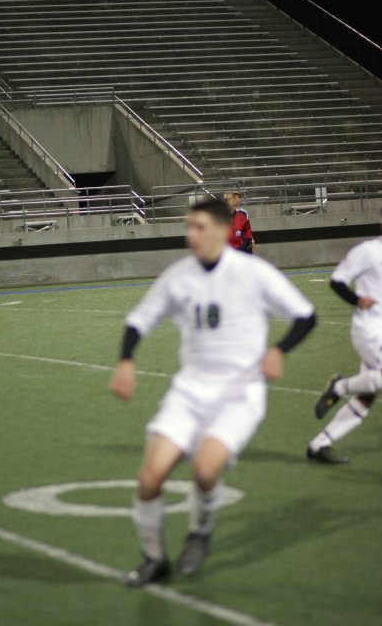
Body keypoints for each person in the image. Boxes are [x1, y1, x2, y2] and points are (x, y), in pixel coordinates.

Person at [109, 198, 316, 587]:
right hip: (189, 391)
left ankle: (200, 530)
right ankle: (154, 558)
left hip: (239, 394)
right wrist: (125, 361)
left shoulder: (253, 273)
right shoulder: (178, 275)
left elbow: (306, 315)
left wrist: (277, 351)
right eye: (189, 226)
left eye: (200, 227)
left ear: (223, 230)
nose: (191, 234)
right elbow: (139, 320)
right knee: (149, 479)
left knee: (204, 470)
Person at [308, 213, 382, 464]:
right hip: (369, 329)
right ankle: (338, 387)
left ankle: (320, 445)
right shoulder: (368, 251)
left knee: (368, 394)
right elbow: (337, 281)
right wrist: (357, 300)